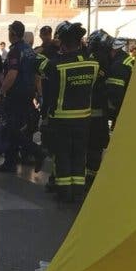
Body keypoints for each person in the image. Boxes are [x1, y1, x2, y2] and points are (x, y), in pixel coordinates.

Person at [41, 22, 97, 203]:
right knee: (80, 156)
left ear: (63, 44)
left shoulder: (57, 66)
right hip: (84, 119)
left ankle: (64, 192)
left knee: (63, 156)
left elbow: (42, 72)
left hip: (62, 120)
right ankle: (78, 191)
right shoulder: (93, 65)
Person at [0, 20, 44, 173]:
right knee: (15, 128)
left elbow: (12, 74)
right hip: (28, 93)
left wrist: (0, 93)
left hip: (16, 94)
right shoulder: (29, 50)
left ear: (13, 33)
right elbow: (36, 75)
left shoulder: (15, 51)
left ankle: (36, 151)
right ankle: (10, 162)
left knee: (10, 128)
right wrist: (38, 93)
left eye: (9, 31)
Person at [84, 30, 114, 185]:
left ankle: (90, 175)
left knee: (92, 146)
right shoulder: (104, 59)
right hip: (98, 113)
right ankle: (92, 175)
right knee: (95, 146)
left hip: (91, 112)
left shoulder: (95, 58)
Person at [105, 37, 134, 127]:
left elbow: (115, 92)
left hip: (121, 109)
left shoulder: (118, 65)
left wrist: (113, 114)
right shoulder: (126, 59)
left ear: (114, 50)